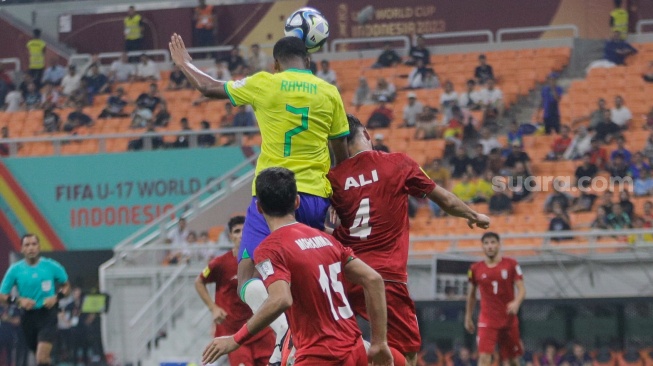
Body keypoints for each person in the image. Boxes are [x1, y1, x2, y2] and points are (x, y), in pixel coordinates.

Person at [169, 34, 350, 364]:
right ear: (308, 62)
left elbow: (209, 87)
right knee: (310, 279)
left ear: (276, 64)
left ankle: (284, 334)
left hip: (270, 198)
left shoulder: (265, 82)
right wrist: (337, 200)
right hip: (314, 199)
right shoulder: (330, 92)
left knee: (246, 273)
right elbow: (342, 155)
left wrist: (185, 64)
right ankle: (310, 338)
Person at [328, 115, 490, 366]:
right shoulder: (398, 163)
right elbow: (444, 200)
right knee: (408, 353)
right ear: (367, 135)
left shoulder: (333, 178)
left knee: (343, 347)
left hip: (345, 273)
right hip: (386, 277)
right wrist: (473, 215)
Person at [201, 168, 394, 366]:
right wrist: (379, 342)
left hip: (318, 355)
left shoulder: (270, 248)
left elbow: (281, 299)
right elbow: (373, 279)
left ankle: (282, 341)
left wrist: (235, 339)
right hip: (354, 350)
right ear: (297, 202)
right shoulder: (326, 240)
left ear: (258, 208)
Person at [195, 216, 275, 366]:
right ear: (230, 236)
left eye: (244, 230)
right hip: (235, 333)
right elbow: (199, 282)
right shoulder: (220, 263)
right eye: (237, 231)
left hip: (261, 329)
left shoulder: (262, 257)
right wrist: (213, 308)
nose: (241, 234)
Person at [0, 234, 71, 366]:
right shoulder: (15, 270)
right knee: (42, 358)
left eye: (34, 244)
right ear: (22, 249)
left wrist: (56, 297)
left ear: (39, 247)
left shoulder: (52, 266)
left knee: (41, 358)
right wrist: (18, 301)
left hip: (47, 314)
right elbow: (2, 296)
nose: (31, 248)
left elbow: (66, 286)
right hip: (27, 316)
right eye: (27, 245)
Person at [465, 232, 525, 366]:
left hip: (508, 319)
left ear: (498, 244)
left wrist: (516, 302)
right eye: (486, 243)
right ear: (482, 246)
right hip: (487, 320)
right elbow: (472, 295)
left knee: (513, 360)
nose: (489, 246)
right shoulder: (475, 269)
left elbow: (522, 289)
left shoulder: (511, 264)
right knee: (484, 358)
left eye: (492, 242)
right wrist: (468, 316)